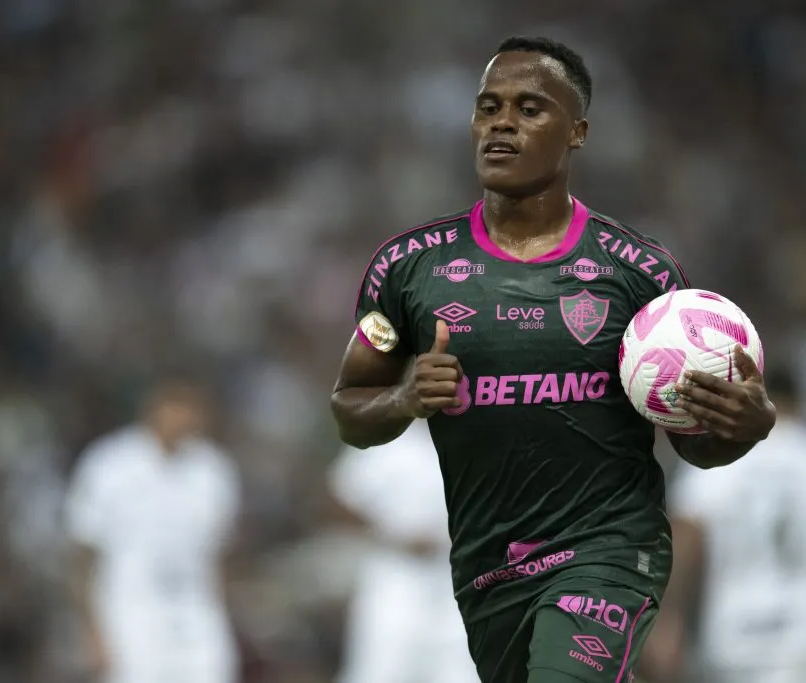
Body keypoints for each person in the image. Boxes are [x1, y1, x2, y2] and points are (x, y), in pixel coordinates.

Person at [330, 36, 777, 683]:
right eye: (488, 108)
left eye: (529, 108)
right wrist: (403, 399)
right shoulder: (407, 268)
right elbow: (348, 409)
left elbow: (697, 448)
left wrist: (745, 426)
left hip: (610, 549)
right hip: (490, 565)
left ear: (578, 132)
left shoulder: (642, 275)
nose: (502, 123)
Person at [641, 365, 806, 683]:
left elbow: (683, 546)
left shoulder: (715, 461)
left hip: (730, 637)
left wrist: (669, 620)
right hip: (804, 639)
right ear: (801, 402)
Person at [64, 377, 241, 683]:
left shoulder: (212, 469)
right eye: (176, 407)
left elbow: (221, 549)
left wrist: (220, 608)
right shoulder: (109, 464)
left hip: (194, 600)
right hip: (128, 601)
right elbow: (81, 551)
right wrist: (91, 627)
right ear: (154, 410)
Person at [329, 420, 481, 683]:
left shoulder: (474, 443)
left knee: (460, 671)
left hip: (456, 577)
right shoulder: (386, 440)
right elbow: (341, 497)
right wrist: (391, 534)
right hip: (396, 574)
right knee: (383, 668)